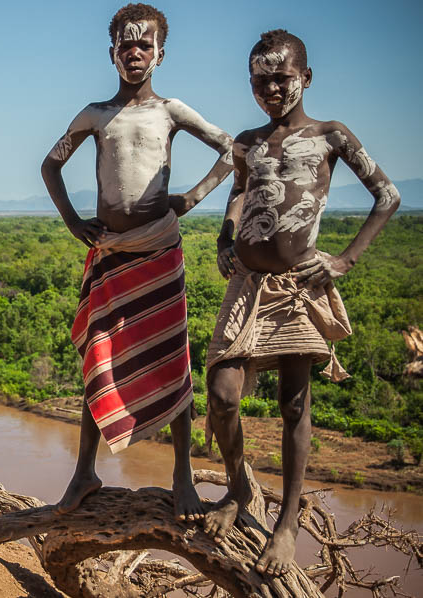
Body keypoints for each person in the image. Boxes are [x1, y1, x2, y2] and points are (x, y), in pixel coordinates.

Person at [203, 29, 400, 576]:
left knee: (294, 404)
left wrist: (344, 260)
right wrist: (225, 239)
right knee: (222, 394)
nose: (271, 87)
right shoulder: (247, 142)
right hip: (246, 286)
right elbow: (239, 192)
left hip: (297, 287)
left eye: (281, 77)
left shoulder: (331, 135)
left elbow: (388, 195)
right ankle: (238, 488)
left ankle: (286, 524)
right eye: (260, 79)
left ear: (305, 78)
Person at [41, 3, 233, 520]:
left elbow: (231, 150)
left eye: (143, 44)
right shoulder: (95, 115)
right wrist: (74, 223)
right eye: (126, 45)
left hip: (159, 251)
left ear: (160, 54)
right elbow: (50, 165)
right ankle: (84, 472)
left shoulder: (171, 111)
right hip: (110, 256)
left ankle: (182, 477)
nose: (134, 52)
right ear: (112, 54)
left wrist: (191, 199)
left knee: (172, 360)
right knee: (98, 360)